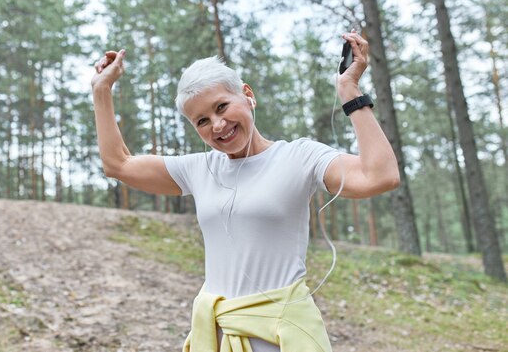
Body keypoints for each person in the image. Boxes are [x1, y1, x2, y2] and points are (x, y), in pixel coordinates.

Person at [92, 30, 400, 352]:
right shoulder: (199, 169)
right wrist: (102, 90)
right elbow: (118, 164)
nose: (218, 125)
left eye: (222, 107)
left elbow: (380, 176)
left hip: (282, 339)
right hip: (217, 338)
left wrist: (350, 91)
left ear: (247, 95)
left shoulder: (299, 156)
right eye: (202, 121)